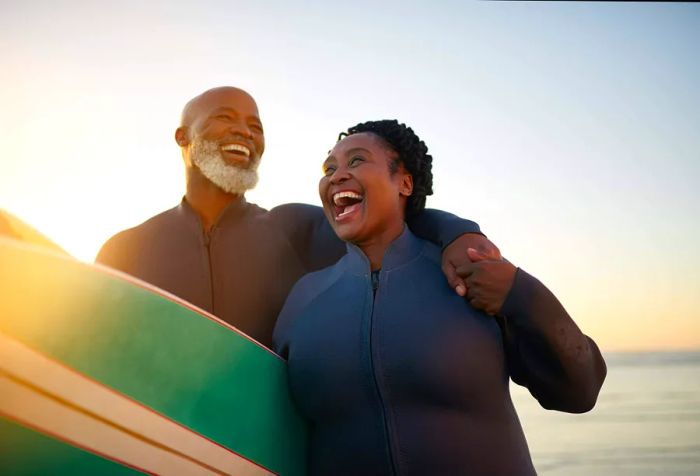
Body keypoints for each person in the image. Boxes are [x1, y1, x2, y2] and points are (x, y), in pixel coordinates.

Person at [273, 120, 607, 475]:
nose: (337, 175)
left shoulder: (470, 273)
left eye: (356, 161)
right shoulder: (304, 297)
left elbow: (579, 392)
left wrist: (521, 292)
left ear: (405, 182)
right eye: (329, 168)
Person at [96, 87, 499, 347]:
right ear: (183, 137)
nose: (245, 132)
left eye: (255, 126)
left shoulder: (294, 228)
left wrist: (460, 234)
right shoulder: (125, 248)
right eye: (225, 118)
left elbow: (393, 219)